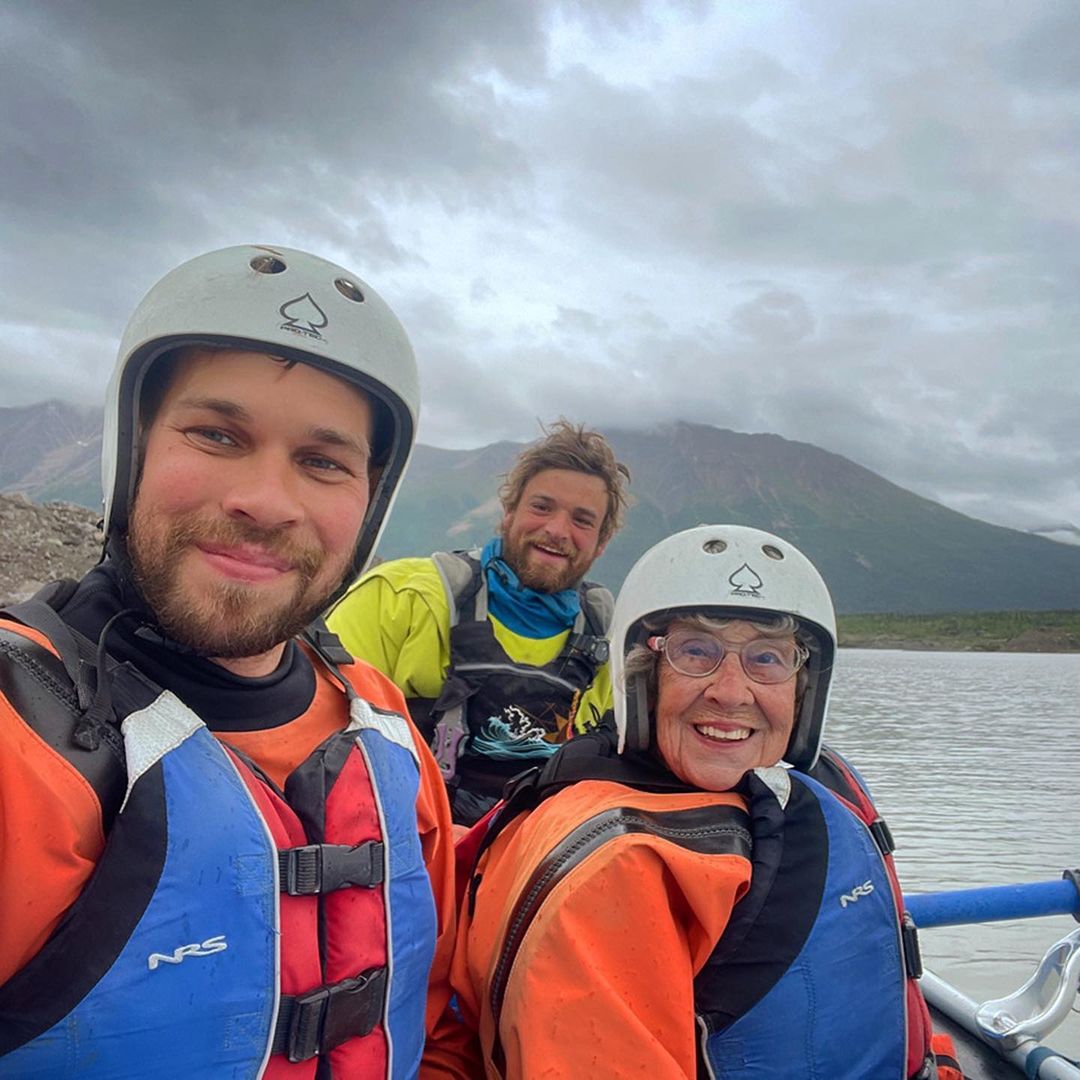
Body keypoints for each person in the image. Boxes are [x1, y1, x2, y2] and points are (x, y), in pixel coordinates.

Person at [0, 245, 457, 1078]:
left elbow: (437, 1022)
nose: (268, 502)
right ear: (131, 448)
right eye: (217, 434)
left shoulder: (383, 724)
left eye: (323, 462)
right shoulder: (16, 735)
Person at [429, 524, 963, 1079]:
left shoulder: (809, 790)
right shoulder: (618, 867)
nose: (730, 692)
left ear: (803, 688)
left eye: (767, 658)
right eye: (696, 651)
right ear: (643, 676)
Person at [328, 420, 631, 825]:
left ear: (602, 542)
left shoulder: (610, 643)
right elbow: (318, 735)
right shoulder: (399, 598)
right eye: (541, 507)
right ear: (508, 514)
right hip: (399, 845)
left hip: (533, 861)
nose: (557, 530)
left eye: (582, 520)